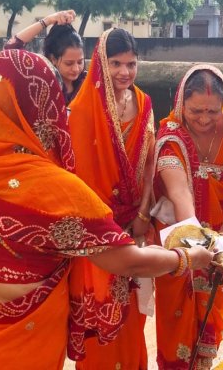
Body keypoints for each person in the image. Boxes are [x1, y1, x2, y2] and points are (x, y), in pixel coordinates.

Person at [0, 49, 214, 369]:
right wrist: (188, 257)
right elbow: (128, 261)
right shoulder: (54, 190)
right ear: (43, 109)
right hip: (12, 355)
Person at [153, 65, 223, 369]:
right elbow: (179, 192)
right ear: (180, 103)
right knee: (175, 313)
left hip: (222, 237)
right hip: (178, 237)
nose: (203, 119)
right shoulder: (171, 135)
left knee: (213, 307)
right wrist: (199, 243)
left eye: (213, 111)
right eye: (195, 110)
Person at [68, 28, 155, 369]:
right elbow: (75, 178)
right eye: (116, 63)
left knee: (134, 310)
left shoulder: (144, 103)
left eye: (131, 64)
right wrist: (100, 225)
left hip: (135, 223)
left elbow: (149, 165)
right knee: (99, 312)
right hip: (95, 230)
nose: (124, 72)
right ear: (101, 64)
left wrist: (144, 215)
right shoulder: (82, 109)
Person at [4, 9, 85, 103]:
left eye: (80, 62)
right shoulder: (42, 82)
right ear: (53, 58)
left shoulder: (86, 83)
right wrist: (47, 20)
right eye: (69, 63)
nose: (76, 69)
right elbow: (10, 48)